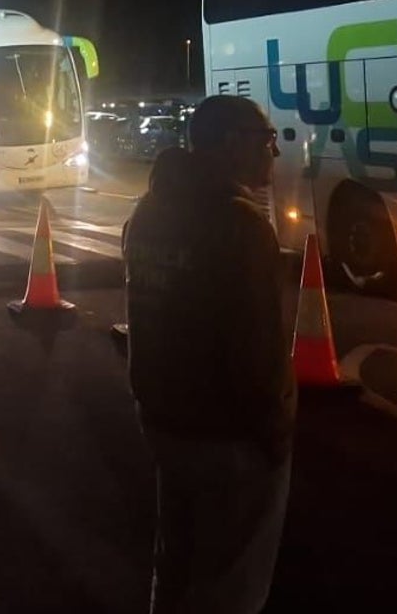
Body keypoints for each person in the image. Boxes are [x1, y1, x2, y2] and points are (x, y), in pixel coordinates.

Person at [122, 94, 295, 613]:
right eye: (266, 141)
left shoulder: (150, 211)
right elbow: (254, 350)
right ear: (230, 145)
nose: (272, 153)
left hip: (164, 419)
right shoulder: (240, 226)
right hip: (228, 436)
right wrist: (273, 432)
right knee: (229, 584)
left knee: (174, 561)